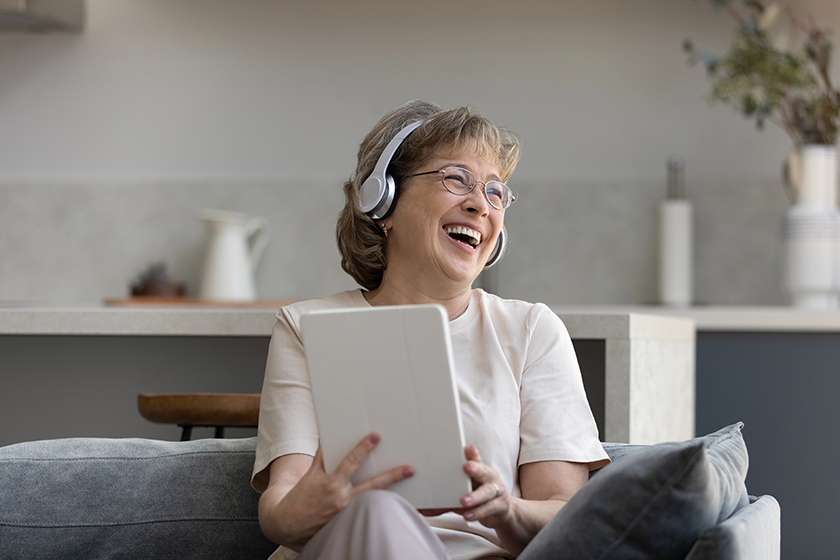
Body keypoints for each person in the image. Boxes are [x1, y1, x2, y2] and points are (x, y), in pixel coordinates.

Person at [252, 100, 609, 560]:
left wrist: (506, 509)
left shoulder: (532, 331)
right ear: (382, 202)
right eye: (456, 179)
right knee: (375, 512)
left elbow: (566, 514)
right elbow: (279, 509)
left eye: (496, 191)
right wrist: (316, 503)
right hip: (342, 548)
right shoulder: (306, 326)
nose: (480, 204)